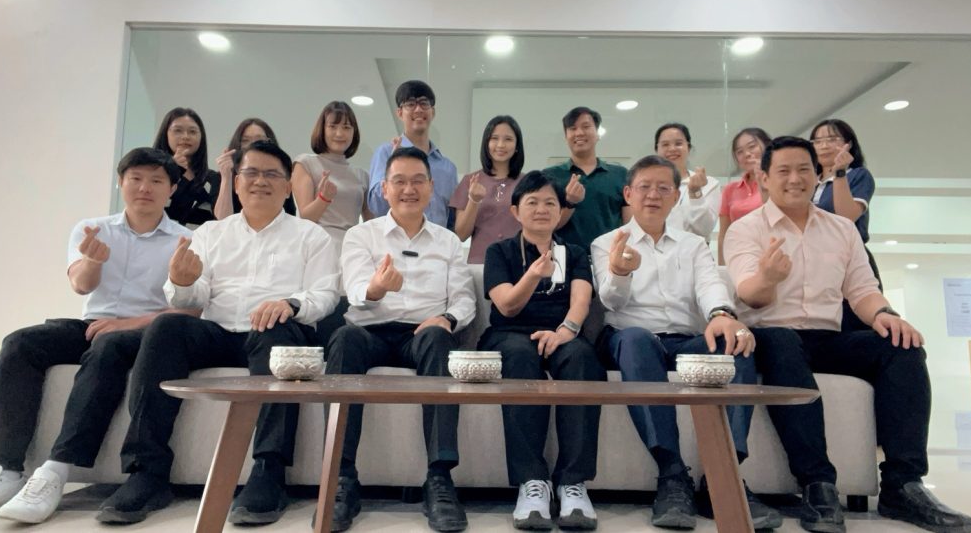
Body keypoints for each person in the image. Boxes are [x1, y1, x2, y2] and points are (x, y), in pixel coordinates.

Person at [724, 136, 971, 533]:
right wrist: (769, 277)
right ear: (765, 179)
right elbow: (748, 294)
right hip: (772, 335)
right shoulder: (745, 230)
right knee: (783, 342)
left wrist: (885, 314)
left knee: (902, 347)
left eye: (804, 170)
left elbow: (861, 290)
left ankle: (903, 484)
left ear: (817, 174)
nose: (795, 179)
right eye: (784, 171)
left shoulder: (842, 229)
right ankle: (817, 484)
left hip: (828, 336)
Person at [99, 140, 340, 526]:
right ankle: (147, 471)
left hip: (275, 331)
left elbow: (325, 294)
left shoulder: (310, 236)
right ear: (237, 182)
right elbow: (192, 295)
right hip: (218, 329)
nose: (260, 181)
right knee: (166, 326)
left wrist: (291, 304)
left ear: (287, 187)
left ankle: (269, 471)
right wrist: (181, 282)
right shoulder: (212, 233)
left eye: (271, 174)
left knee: (277, 331)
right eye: (251, 172)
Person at [0, 148, 192, 523]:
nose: (144, 188)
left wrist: (128, 324)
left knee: (108, 345)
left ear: (172, 190)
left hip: (148, 333)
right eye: (135, 178)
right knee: (20, 343)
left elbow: (190, 311)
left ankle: (56, 471)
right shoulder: (92, 229)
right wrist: (93, 261)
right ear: (120, 182)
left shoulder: (184, 240)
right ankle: (2, 470)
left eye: (156, 180)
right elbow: (81, 286)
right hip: (93, 323)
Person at [591, 155, 779, 531]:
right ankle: (672, 475)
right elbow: (611, 302)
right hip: (629, 339)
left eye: (663, 188)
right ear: (628, 194)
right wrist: (620, 272)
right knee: (637, 340)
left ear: (676, 197)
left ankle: (723, 475)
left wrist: (721, 315)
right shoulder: (606, 243)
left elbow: (710, 284)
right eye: (644, 187)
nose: (653, 195)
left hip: (686, 340)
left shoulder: (693, 245)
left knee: (735, 345)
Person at [325, 147, 476, 532]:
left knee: (440, 340)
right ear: (384, 189)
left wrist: (447, 318)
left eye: (418, 181)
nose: (409, 189)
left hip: (423, 333)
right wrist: (376, 288)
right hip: (369, 331)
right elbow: (355, 287)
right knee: (343, 339)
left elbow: (464, 299)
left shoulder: (448, 242)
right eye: (400, 181)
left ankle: (439, 478)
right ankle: (341, 478)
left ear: (431, 188)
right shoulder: (361, 235)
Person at [480, 170, 605, 530]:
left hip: (562, 333)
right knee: (519, 356)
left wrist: (566, 331)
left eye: (550, 202)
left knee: (583, 358)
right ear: (515, 211)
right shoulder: (499, 252)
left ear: (561, 210)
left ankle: (572, 483)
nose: (541, 209)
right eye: (532, 202)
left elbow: (581, 301)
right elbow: (507, 306)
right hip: (510, 333)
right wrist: (534, 273)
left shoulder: (574, 253)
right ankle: (531, 482)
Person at [810, 118, 880, 331]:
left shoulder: (857, 175)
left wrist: (839, 172)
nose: (823, 146)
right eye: (817, 141)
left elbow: (846, 216)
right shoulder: (809, 181)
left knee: (854, 323)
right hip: (815, 260)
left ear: (848, 144)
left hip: (849, 258)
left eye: (832, 139)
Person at [367, 80, 458, 229]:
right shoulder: (385, 153)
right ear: (399, 113)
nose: (418, 109)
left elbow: (452, 221)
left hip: (436, 241)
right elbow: (376, 206)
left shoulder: (448, 168)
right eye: (410, 104)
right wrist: (393, 166)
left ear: (433, 112)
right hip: (395, 239)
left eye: (424, 103)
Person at [543, 106, 629, 251]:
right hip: (565, 257)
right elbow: (546, 226)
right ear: (566, 137)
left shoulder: (620, 175)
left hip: (609, 256)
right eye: (572, 128)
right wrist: (569, 202)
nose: (579, 133)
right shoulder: (549, 176)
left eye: (586, 127)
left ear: (598, 133)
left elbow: (629, 227)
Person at [291, 101, 371, 251]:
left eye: (346, 127)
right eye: (332, 126)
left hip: (353, 249)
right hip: (318, 247)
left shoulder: (363, 175)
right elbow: (305, 219)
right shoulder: (305, 163)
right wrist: (323, 199)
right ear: (322, 129)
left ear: (354, 132)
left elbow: (372, 225)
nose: (339, 133)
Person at [450, 115, 525, 264]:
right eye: (494, 138)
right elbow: (461, 235)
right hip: (481, 263)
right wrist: (473, 200)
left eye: (508, 139)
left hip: (518, 263)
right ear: (486, 143)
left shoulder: (527, 182)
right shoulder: (470, 181)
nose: (501, 145)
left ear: (517, 146)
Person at [213, 117, 296, 219]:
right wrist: (226, 177)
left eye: (259, 140)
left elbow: (289, 216)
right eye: (245, 141)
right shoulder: (222, 176)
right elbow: (223, 220)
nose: (253, 145)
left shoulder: (279, 176)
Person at [153, 107, 220, 227]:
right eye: (178, 131)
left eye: (192, 132)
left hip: (199, 238)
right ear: (165, 134)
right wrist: (172, 170)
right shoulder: (153, 172)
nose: (186, 136)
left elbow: (220, 220)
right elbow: (150, 209)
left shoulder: (212, 178)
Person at [653, 123, 720, 242]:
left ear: (688, 148)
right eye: (665, 144)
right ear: (657, 150)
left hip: (695, 250)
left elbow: (704, 229)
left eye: (678, 143)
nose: (672, 149)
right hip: (655, 249)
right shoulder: (649, 186)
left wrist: (695, 193)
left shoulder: (708, 183)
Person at [718, 127, 771, 264]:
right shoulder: (730, 190)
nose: (746, 154)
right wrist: (722, 267)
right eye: (739, 152)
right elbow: (724, 235)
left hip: (770, 253)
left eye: (752, 147)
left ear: (767, 146)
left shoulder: (778, 183)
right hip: (739, 257)